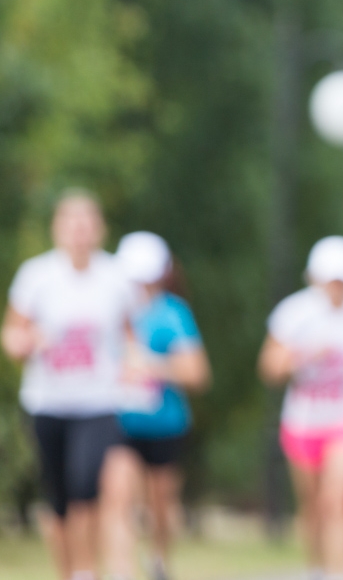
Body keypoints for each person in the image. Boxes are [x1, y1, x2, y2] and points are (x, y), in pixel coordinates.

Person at [0, 190, 138, 580]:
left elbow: (130, 336)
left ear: (100, 229)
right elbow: (11, 335)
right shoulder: (35, 276)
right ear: (57, 229)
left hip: (99, 401)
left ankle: (86, 570)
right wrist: (25, 342)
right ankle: (68, 571)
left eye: (87, 223)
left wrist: (132, 362)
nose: (79, 231)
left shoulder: (116, 277)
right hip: (48, 401)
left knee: (86, 485)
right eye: (71, 223)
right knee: (58, 500)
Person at [259, 236, 343, 580]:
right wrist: (301, 355)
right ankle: (317, 569)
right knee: (313, 505)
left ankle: (341, 573)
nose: (337, 288)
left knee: (339, 498)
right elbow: (269, 367)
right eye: (331, 280)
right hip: (304, 419)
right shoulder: (294, 312)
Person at [102, 232, 211, 580]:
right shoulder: (108, 309)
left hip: (165, 423)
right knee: (118, 496)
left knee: (160, 505)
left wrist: (151, 365)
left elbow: (197, 373)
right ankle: (121, 571)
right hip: (118, 422)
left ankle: (159, 560)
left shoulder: (172, 314)